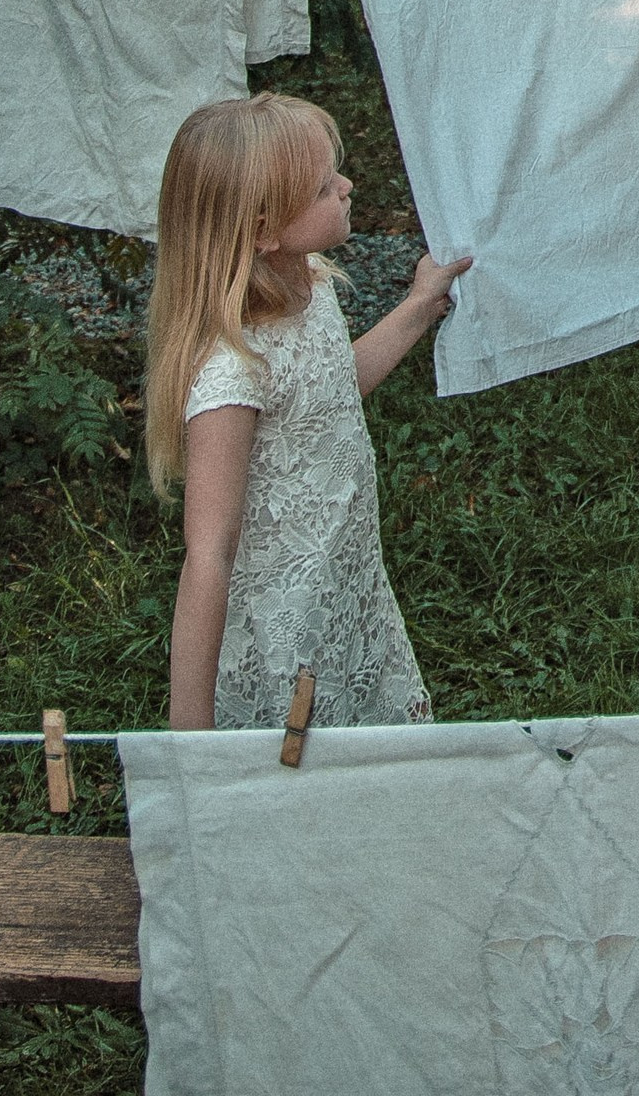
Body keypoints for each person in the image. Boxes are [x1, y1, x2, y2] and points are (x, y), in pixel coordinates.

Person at [145, 89, 470, 731]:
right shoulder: (232, 371)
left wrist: (418, 307)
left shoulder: (310, 282)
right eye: (324, 188)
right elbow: (207, 553)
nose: (347, 187)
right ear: (263, 230)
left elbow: (328, 391)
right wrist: (190, 745)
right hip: (283, 632)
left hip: (345, 585)